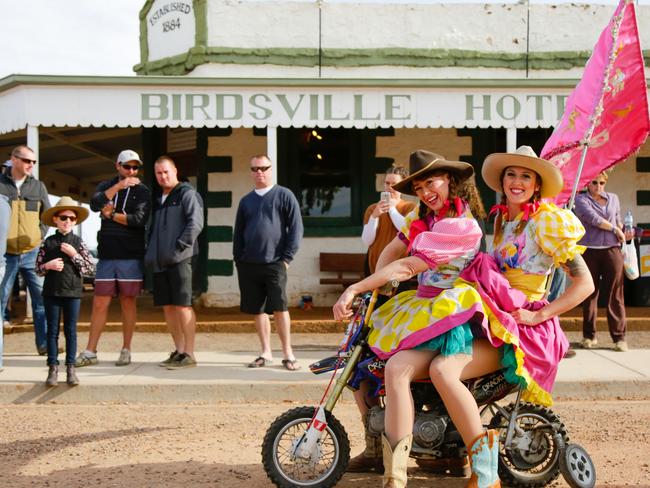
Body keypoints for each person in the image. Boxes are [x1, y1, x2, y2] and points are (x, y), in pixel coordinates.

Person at [333, 150, 489, 487]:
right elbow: (395, 250)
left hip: (450, 312)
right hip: (421, 307)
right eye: (417, 188)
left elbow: (407, 266)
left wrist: (355, 288)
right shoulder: (426, 219)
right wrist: (377, 286)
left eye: (429, 183)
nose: (424, 193)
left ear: (449, 180)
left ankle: (478, 471)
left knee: (417, 370)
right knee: (377, 364)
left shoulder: (459, 226)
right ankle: (390, 468)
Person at [75, 150, 151, 368]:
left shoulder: (143, 191)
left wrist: (110, 215)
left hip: (130, 255)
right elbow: (94, 204)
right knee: (99, 303)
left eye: (135, 168)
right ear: (118, 166)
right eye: (127, 167)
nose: (132, 171)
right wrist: (118, 187)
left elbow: (138, 220)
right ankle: (90, 351)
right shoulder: (106, 185)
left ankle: (126, 349)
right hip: (107, 255)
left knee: (128, 302)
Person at [234, 155, 303, 371]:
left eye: (264, 168)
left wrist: (286, 259)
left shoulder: (284, 195)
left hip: (276, 262)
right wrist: (239, 259)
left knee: (280, 307)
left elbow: (296, 229)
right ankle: (265, 352)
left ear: (271, 169)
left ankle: (288, 353)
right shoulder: (246, 201)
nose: (259, 172)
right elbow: (239, 233)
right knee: (258, 309)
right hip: (249, 264)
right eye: (255, 169)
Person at [145, 156, 204, 369]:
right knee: (168, 307)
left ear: (175, 171)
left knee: (183, 306)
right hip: (160, 262)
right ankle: (179, 351)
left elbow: (195, 224)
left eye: (166, 172)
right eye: (159, 173)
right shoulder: (159, 198)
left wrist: (179, 247)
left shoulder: (187, 193)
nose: (162, 176)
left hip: (181, 259)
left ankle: (189, 353)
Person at [36, 197, 94, 386]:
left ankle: (71, 369)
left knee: (71, 331)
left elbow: (89, 269)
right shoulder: (48, 242)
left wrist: (74, 255)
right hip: (51, 292)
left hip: (72, 293)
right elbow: (37, 269)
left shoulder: (78, 242)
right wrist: (48, 265)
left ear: (75, 221)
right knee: (52, 332)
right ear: (55, 219)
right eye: (63, 217)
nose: (67, 220)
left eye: (71, 218)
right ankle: (52, 369)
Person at [0, 145, 50, 356]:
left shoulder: (38, 187)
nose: (31, 165)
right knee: (1, 301)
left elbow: (47, 217)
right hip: (5, 255)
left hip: (32, 253)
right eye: (28, 161)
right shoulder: (0, 186)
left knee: (41, 301)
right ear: (14, 159)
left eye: (33, 162)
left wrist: (38, 236)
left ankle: (45, 345)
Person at [574, 171, 632, 352]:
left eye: (601, 183)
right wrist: (615, 229)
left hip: (612, 250)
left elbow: (618, 220)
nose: (598, 186)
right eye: (594, 182)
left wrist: (624, 229)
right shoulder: (581, 200)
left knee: (615, 294)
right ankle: (589, 336)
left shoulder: (613, 198)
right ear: (587, 183)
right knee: (589, 293)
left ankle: (619, 338)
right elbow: (593, 219)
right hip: (589, 251)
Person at [362, 165, 416, 275]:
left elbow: (407, 230)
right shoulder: (372, 209)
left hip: (400, 268)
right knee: (374, 293)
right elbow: (367, 241)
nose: (390, 187)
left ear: (403, 185)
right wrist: (374, 216)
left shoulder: (410, 207)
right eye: (387, 183)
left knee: (398, 292)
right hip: (374, 265)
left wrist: (391, 208)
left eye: (394, 184)